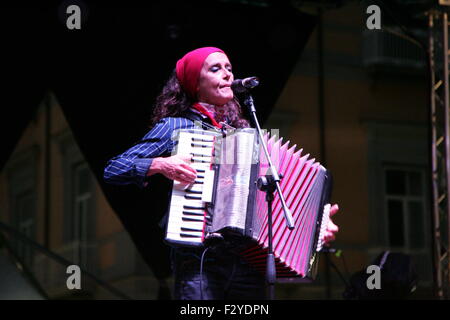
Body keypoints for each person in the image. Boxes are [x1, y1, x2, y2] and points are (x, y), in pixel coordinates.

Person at [103, 47, 340, 300]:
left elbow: (270, 201)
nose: (227, 74)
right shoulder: (177, 125)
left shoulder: (243, 134)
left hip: (248, 262)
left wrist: (314, 229)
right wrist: (161, 164)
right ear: (195, 83)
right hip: (201, 261)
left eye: (229, 68)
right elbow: (114, 169)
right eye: (215, 68)